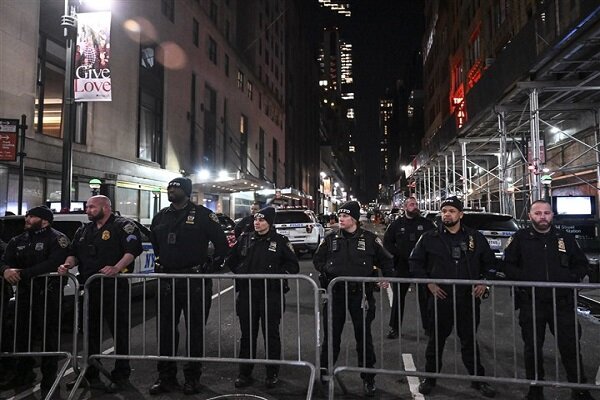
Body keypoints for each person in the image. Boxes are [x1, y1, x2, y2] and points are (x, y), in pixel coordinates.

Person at [502, 200, 596, 400]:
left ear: (552, 215)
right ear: (530, 216)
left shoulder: (565, 238)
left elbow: (581, 264)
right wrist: (526, 280)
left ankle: (579, 388)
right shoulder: (519, 238)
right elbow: (508, 265)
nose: (542, 217)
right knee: (532, 348)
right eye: (537, 213)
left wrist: (570, 278)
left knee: (570, 347)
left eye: (546, 213)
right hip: (532, 303)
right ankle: (535, 389)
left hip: (562, 303)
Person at [409, 196, 496, 398]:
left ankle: (478, 380)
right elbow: (415, 263)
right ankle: (429, 378)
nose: (447, 214)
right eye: (444, 211)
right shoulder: (430, 238)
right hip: (441, 298)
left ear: (460, 214)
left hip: (467, 299)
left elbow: (490, 263)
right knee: (436, 341)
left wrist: (484, 281)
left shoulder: (475, 238)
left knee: (468, 340)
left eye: (452, 211)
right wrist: (428, 283)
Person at [148, 177, 228, 395]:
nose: (170, 191)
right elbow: (157, 245)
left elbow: (222, 244)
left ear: (186, 191)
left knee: (194, 330)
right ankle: (166, 376)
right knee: (165, 331)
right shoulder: (161, 216)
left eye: (175, 188)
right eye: (169, 188)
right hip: (167, 281)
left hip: (194, 281)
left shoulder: (203, 215)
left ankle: (192, 378)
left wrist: (211, 267)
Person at [58, 196, 143, 392]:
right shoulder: (84, 230)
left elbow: (132, 250)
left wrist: (116, 267)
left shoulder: (123, 225)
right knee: (89, 332)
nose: (88, 210)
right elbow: (74, 253)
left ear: (105, 207)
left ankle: (121, 374)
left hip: (114, 287)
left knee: (118, 331)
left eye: (91, 207)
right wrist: (67, 264)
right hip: (90, 288)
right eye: (87, 207)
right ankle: (91, 373)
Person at [313, 200, 394, 397]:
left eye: (346, 216)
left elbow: (386, 260)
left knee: (363, 337)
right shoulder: (331, 239)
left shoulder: (369, 239)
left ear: (355, 219)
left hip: (361, 295)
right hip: (335, 294)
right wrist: (328, 271)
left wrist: (387, 278)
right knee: (331, 336)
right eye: (340, 216)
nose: (341, 219)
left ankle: (368, 378)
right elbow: (317, 260)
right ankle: (325, 373)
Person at [224, 206, 299, 389]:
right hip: (248, 292)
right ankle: (244, 373)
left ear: (270, 222)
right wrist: (241, 272)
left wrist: (278, 276)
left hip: (271, 293)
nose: (257, 223)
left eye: (262, 220)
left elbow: (293, 266)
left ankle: (272, 373)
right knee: (247, 335)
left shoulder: (280, 241)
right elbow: (231, 260)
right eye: (256, 219)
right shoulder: (245, 239)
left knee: (271, 334)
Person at [0, 206, 69, 397]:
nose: (27, 219)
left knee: (48, 336)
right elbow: (5, 259)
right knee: (21, 334)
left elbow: (54, 262)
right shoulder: (19, 240)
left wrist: (24, 274)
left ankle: (49, 378)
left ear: (45, 220)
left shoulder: (57, 239)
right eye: (27, 216)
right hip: (25, 295)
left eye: (32, 216)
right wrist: (5, 270)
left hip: (48, 295)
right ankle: (23, 373)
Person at [383, 196, 434, 339]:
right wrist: (397, 255)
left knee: (425, 299)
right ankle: (394, 328)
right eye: (411, 204)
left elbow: (435, 241)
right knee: (398, 299)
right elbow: (387, 243)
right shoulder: (396, 225)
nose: (414, 206)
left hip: (421, 267)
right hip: (402, 266)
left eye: (416, 204)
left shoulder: (426, 224)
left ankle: (428, 328)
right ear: (405, 207)